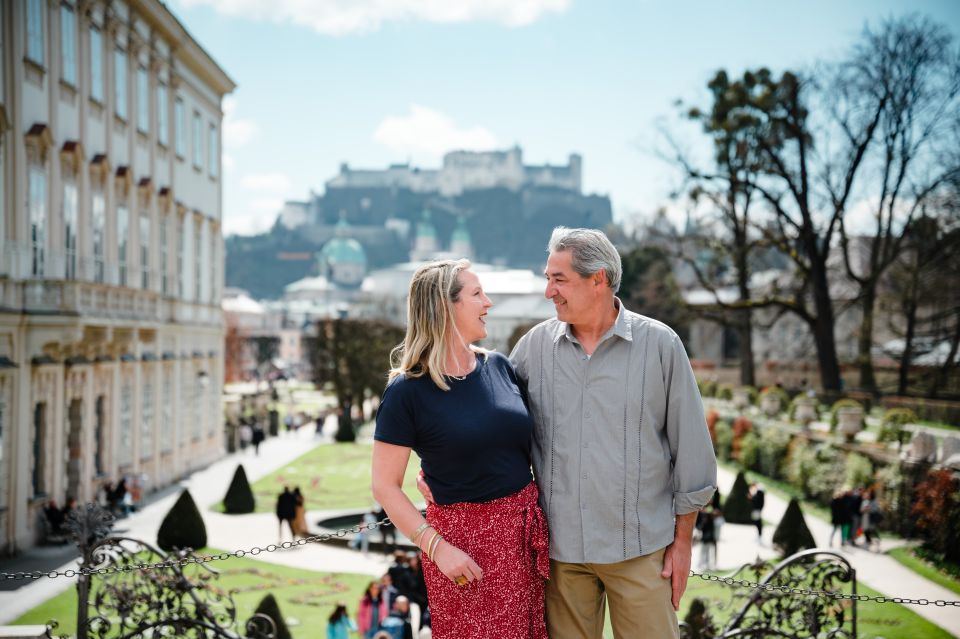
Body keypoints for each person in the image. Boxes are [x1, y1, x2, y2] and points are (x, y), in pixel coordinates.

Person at [424, 228, 717, 639]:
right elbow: (492, 422)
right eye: (548, 279)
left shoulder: (660, 345)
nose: (548, 292)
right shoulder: (533, 349)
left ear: (598, 279)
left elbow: (693, 453)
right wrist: (444, 467)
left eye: (558, 279)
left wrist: (683, 542)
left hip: (640, 552)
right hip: (560, 558)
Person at [372, 259, 549, 639]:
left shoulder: (500, 367)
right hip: (463, 553)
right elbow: (384, 487)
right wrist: (438, 549)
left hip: (524, 543)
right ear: (444, 306)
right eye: (476, 294)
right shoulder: (407, 391)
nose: (488, 303)